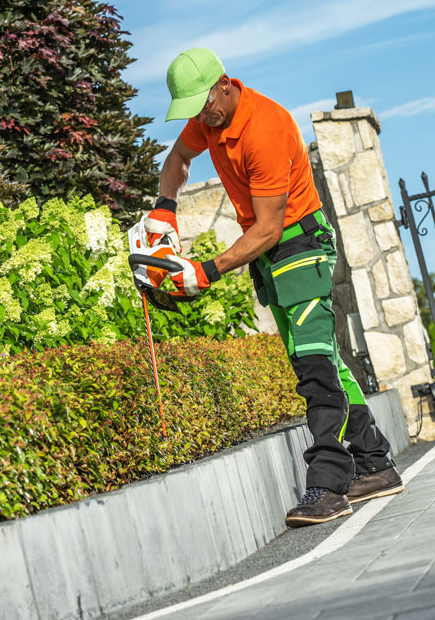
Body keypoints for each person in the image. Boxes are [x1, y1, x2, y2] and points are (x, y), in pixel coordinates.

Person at [145, 48, 403, 527]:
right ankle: (377, 464)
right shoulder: (209, 122)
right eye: (194, 110)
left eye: (206, 104)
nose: (203, 116)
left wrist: (204, 272)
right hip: (270, 255)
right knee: (320, 358)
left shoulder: (265, 128)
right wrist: (165, 206)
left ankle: (327, 484)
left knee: (314, 367)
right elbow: (178, 158)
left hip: (298, 244)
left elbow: (266, 228)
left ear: (225, 83)